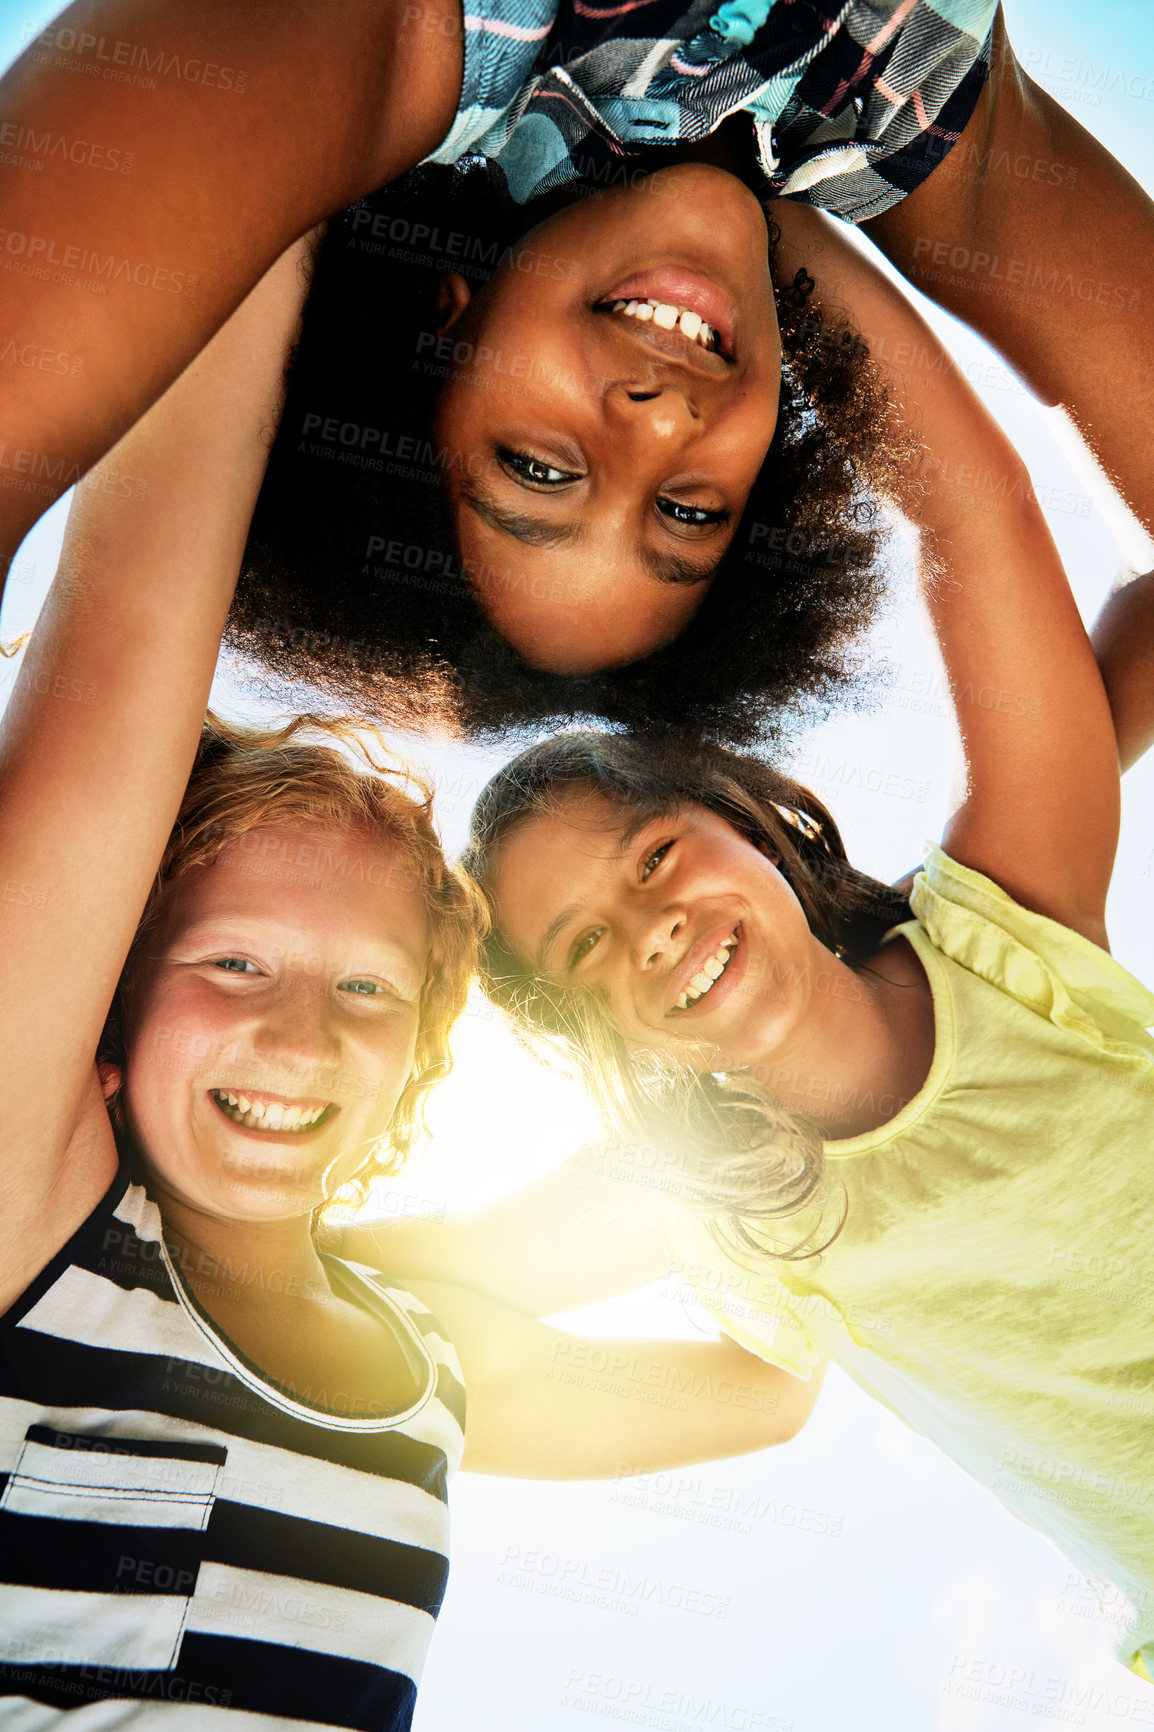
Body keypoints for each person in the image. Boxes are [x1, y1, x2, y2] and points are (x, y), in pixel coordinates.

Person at [0, 243, 823, 1727]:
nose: (295, 1034)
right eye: (233, 960)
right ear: (106, 1010)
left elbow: (771, 1378)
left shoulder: (429, 1367)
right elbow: (128, 621)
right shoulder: (34, 1219)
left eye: (371, 994)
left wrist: (713, 991)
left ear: (417, 1064)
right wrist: (269, 213)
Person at [348, 232, 1154, 1678]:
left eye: (652, 856)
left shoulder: (1001, 932)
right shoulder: (723, 1219)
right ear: (604, 1040)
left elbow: (969, 507)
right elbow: (434, 1269)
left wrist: (771, 231)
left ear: (750, 823)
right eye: (584, 947)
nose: (649, 926)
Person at [4, 2, 1154, 735]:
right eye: (689, 511)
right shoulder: (900, 116)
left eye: (540, 472)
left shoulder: (412, 43)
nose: (654, 425)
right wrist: (1002, 871)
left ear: (439, 332)